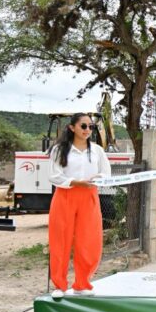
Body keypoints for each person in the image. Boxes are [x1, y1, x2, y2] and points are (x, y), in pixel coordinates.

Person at [47, 113, 111, 298]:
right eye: (83, 126)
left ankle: (82, 283)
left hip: (89, 196)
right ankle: (60, 285)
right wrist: (75, 182)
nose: (87, 130)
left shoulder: (98, 150)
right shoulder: (60, 149)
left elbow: (106, 173)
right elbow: (54, 175)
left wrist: (95, 180)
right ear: (72, 127)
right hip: (65, 195)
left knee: (89, 240)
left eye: (91, 127)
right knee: (61, 240)